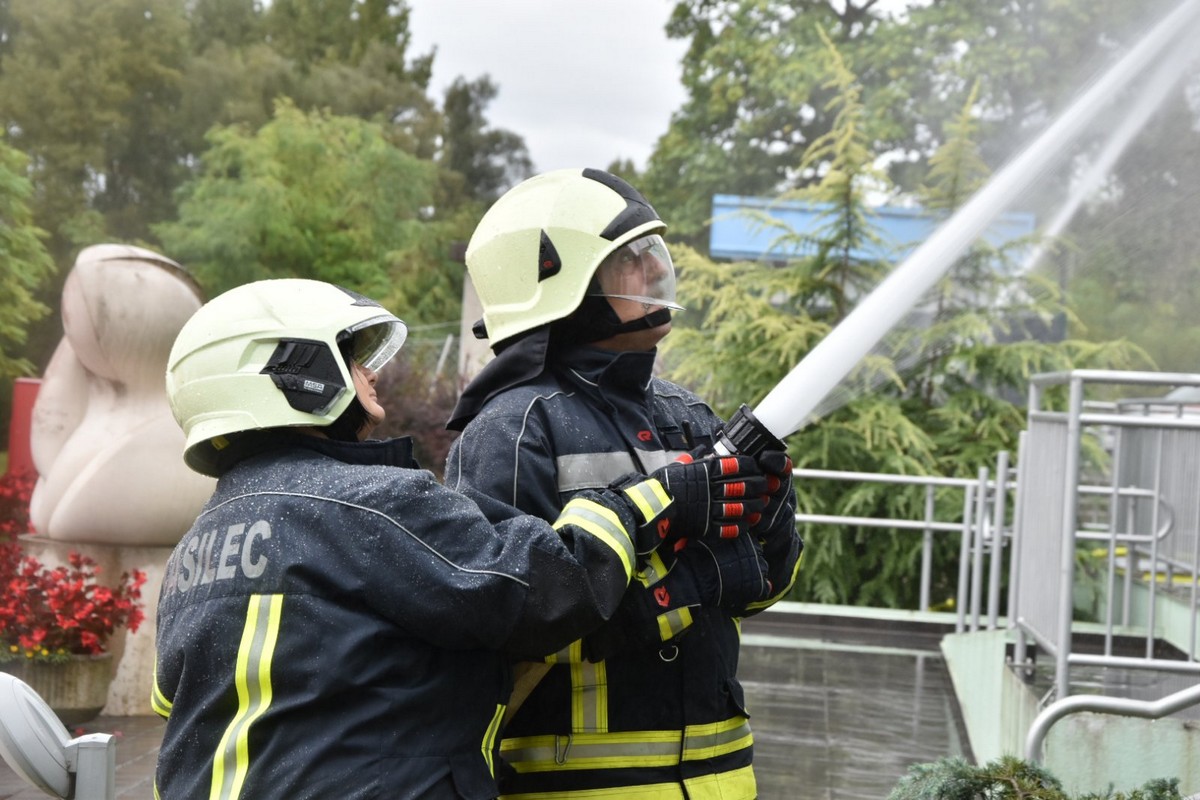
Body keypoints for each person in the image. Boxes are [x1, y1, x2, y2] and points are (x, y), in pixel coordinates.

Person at [152, 278, 768, 800]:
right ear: (292, 370)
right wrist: (653, 501)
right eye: (347, 354)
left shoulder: (196, 548)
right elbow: (538, 590)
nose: (368, 372)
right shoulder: (374, 503)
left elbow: (169, 702)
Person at [445, 168, 804, 799]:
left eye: (652, 253)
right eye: (628, 260)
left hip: (724, 780)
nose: (654, 270)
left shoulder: (689, 416)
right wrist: (684, 585)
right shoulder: (513, 431)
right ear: (559, 286)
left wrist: (770, 522)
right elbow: (510, 622)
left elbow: (756, 591)